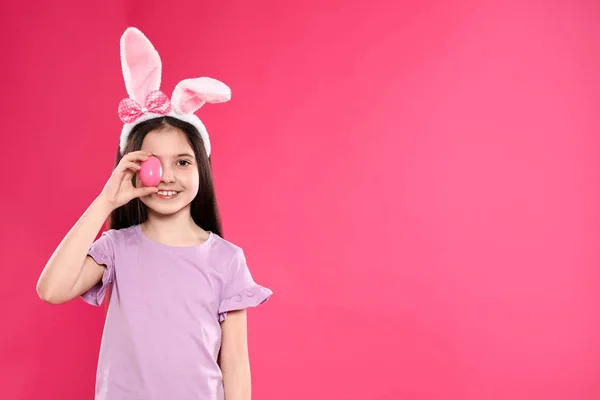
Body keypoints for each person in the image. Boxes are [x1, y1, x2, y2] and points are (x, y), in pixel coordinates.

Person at [35, 27, 273, 400]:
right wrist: (105, 202)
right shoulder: (116, 247)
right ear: (131, 168)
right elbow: (51, 290)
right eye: (152, 163)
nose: (167, 177)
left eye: (182, 161)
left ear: (202, 170)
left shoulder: (227, 260)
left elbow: (236, 366)